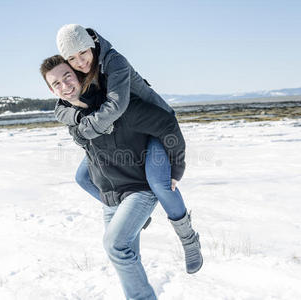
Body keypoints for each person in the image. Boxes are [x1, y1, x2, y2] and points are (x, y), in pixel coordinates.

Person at [54, 24, 203, 274]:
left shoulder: (114, 62)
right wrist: (78, 120)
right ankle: (136, 215)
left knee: (159, 182)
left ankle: (189, 239)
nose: (79, 62)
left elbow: (116, 106)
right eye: (72, 58)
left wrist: (177, 166)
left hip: (153, 125)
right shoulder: (76, 71)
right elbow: (60, 106)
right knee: (83, 177)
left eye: (83, 53)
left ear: (92, 43)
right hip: (121, 132)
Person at [40, 55, 190, 299]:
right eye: (56, 84)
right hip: (112, 194)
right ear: (51, 90)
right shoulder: (70, 114)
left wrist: (175, 167)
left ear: (78, 74)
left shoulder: (113, 103)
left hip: (139, 188)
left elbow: (165, 122)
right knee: (127, 253)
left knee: (115, 246)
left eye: (67, 76)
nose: (64, 85)